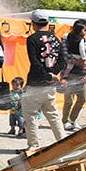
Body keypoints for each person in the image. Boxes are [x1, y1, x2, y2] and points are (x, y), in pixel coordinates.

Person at [19, 10, 66, 153]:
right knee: (53, 113)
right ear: (47, 23)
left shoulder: (32, 39)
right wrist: (53, 75)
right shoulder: (56, 39)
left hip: (35, 83)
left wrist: (47, 76)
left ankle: (34, 145)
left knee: (30, 114)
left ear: (33, 23)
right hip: (50, 86)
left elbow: (34, 62)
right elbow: (62, 61)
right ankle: (63, 141)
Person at [60, 19, 86, 131]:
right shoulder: (66, 38)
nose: (85, 32)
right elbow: (64, 54)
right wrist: (76, 61)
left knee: (82, 98)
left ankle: (73, 119)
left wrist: (85, 59)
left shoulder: (83, 40)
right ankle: (65, 121)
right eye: (84, 29)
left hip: (81, 74)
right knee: (68, 100)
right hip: (68, 74)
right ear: (78, 29)